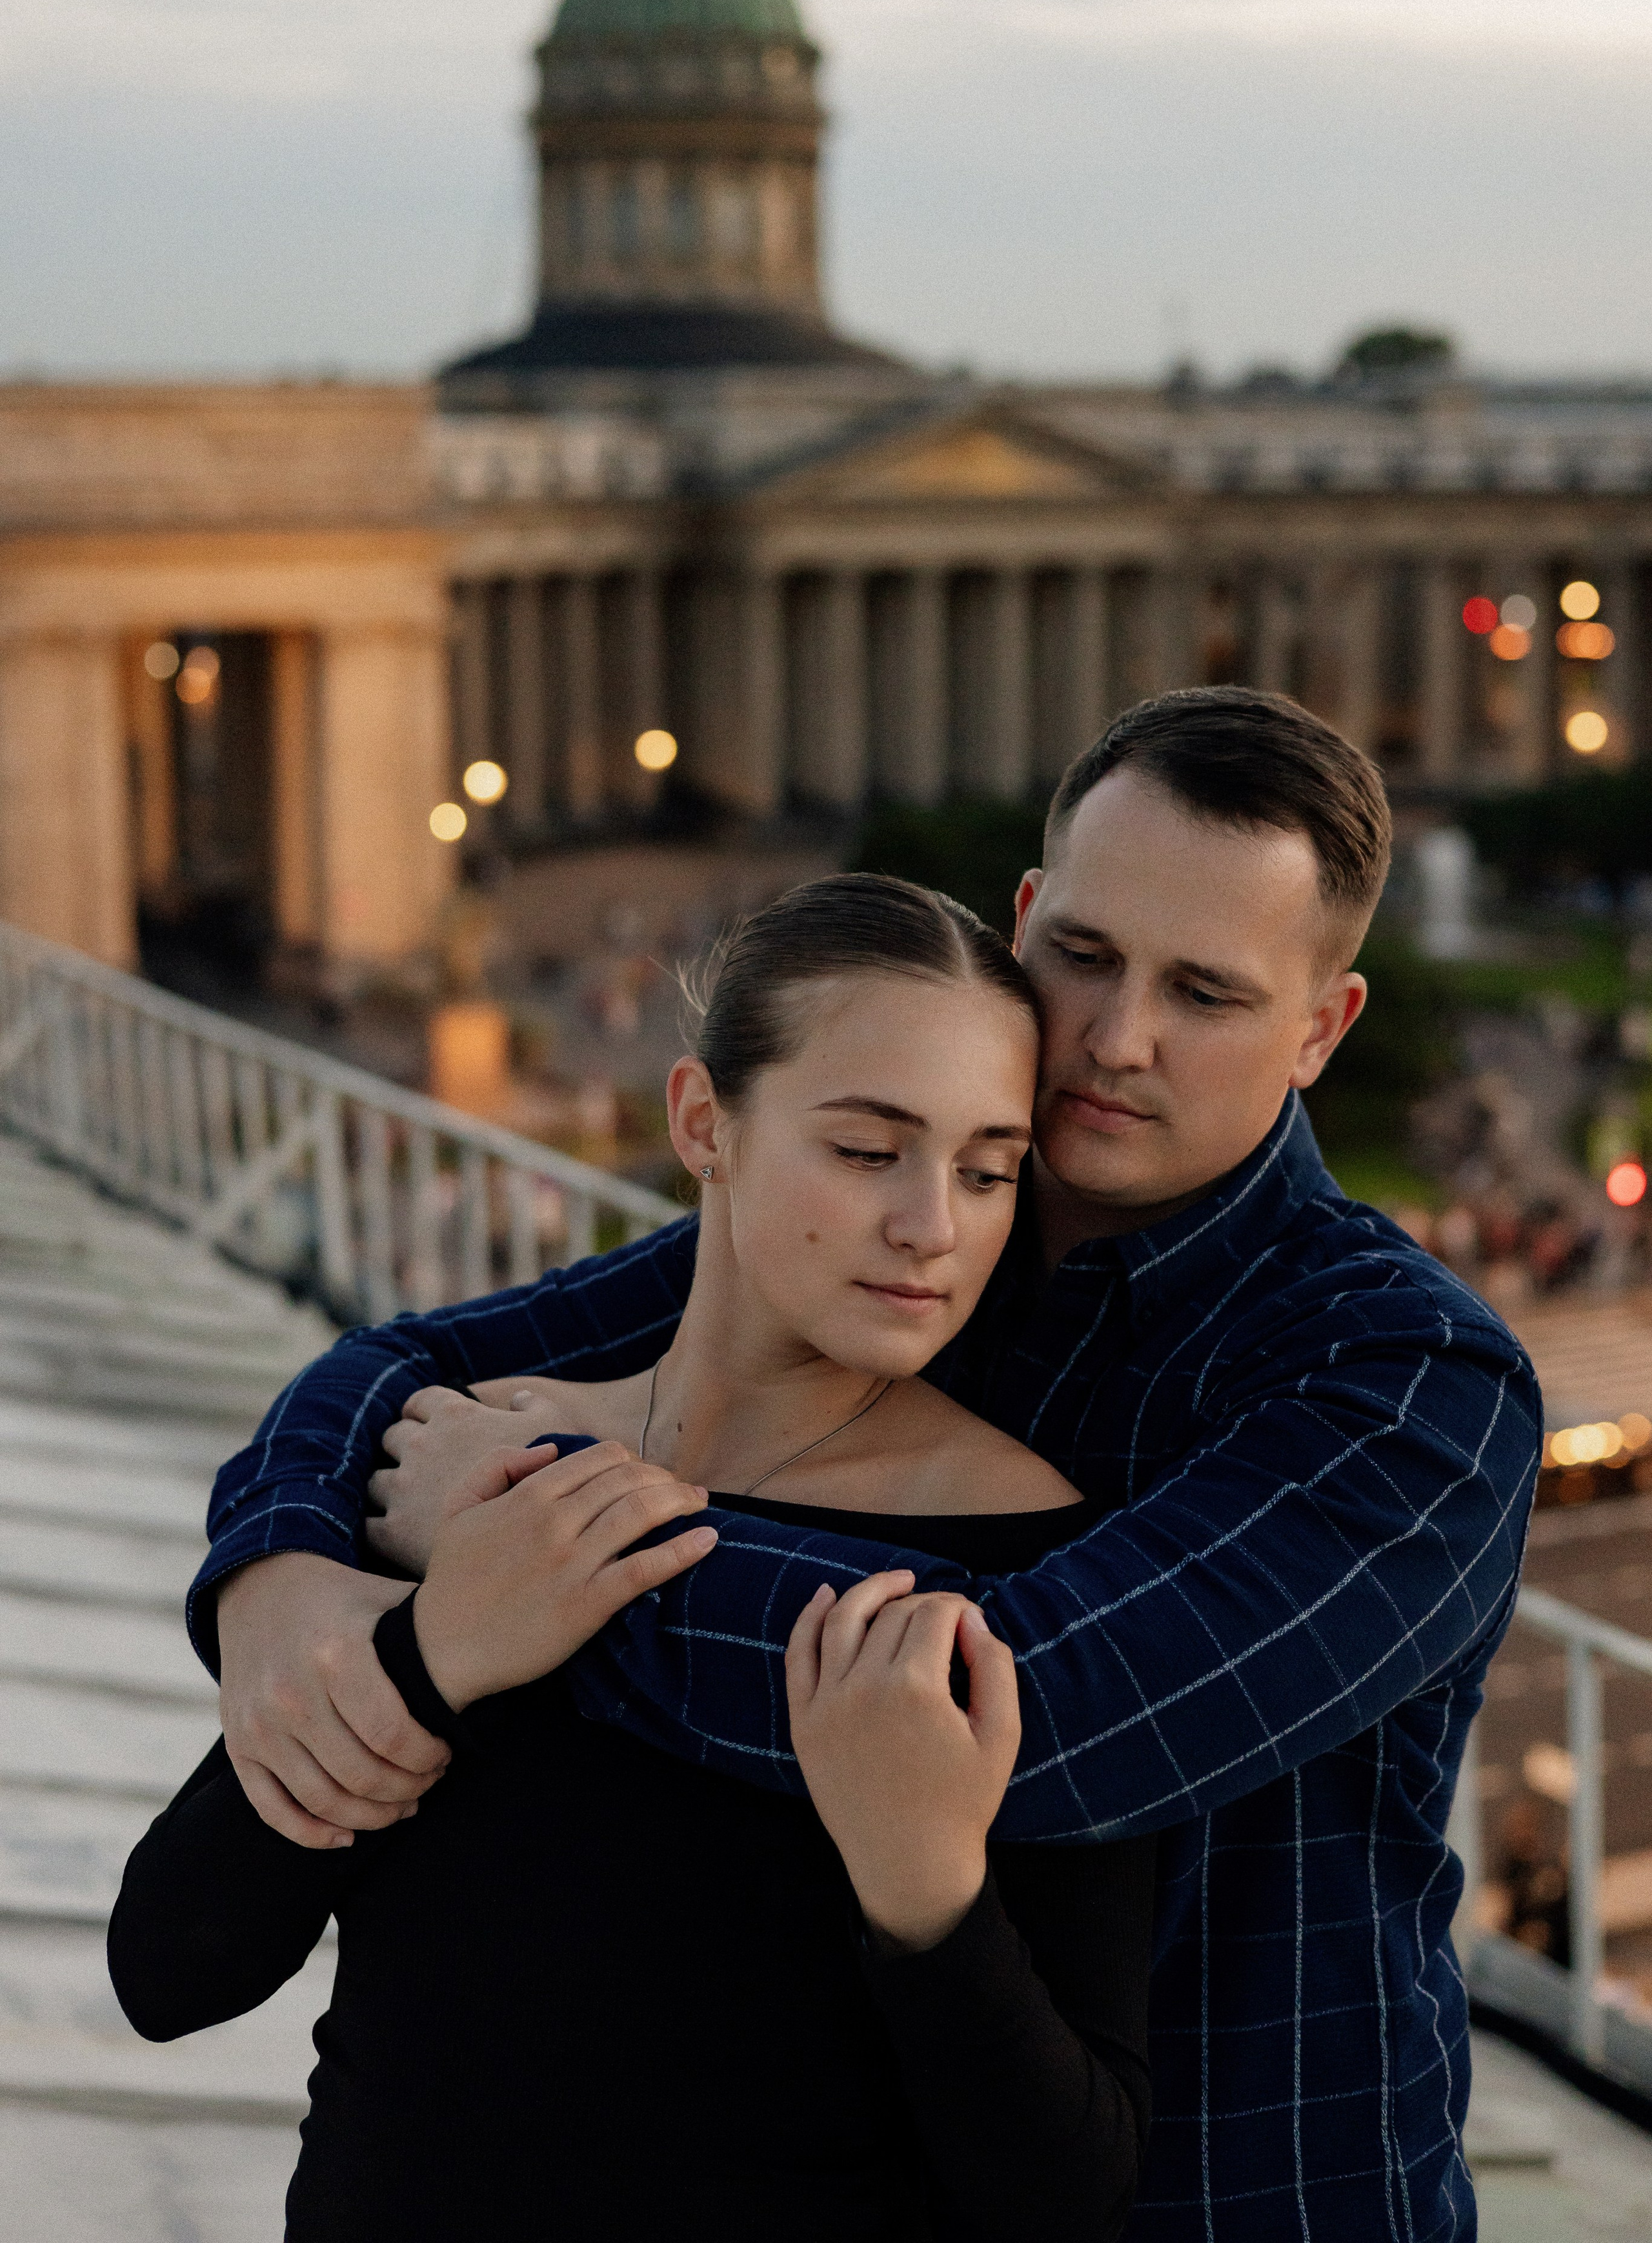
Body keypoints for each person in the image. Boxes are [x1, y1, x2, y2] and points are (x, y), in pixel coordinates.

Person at [192, 689, 1542, 2240]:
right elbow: (405, 1366)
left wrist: (520, 1544)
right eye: (1086, 958)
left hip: (1253, 2191)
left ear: (1321, 1028)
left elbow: (1013, 1723)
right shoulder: (925, 1223)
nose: (1115, 1040)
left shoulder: (1408, 1381)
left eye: (1206, 993)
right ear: (1023, 915)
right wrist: (280, 1571)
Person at [111, 878, 1154, 2243]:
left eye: (985, 1167)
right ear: (702, 1123)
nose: (932, 1228)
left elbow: (1067, 2187)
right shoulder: (472, 1470)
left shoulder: (1029, 1565)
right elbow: (170, 1966)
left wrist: (926, 1898)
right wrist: (428, 1662)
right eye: (864, 1151)